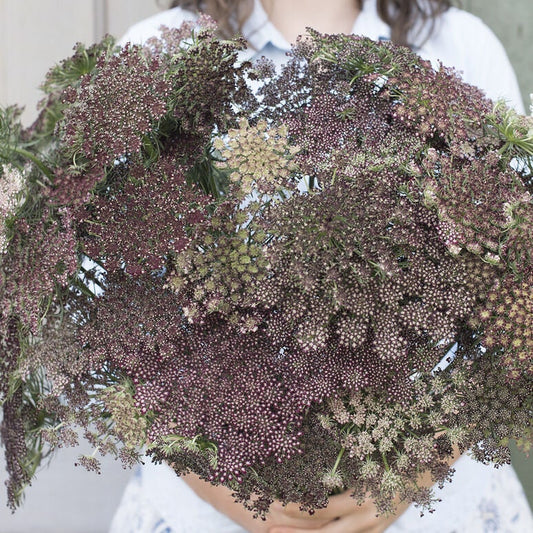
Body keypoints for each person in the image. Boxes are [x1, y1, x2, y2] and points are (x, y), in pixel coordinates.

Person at [110, 1, 532, 531]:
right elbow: (107, 317)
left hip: (437, 507)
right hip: (208, 504)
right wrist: (219, 489)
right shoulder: (162, 46)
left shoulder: (460, 45)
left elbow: (519, 285)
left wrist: (416, 470)